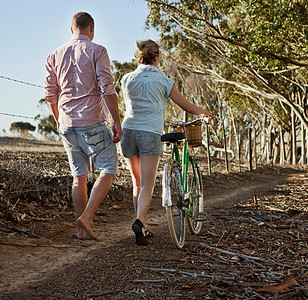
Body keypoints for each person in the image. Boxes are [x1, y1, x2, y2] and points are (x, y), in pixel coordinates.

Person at [120, 39, 214, 245]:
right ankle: (139, 220)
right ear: (156, 58)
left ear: (139, 57)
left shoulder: (127, 79)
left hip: (128, 132)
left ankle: (142, 229)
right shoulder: (164, 81)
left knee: (137, 183)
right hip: (149, 133)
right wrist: (205, 113)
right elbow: (185, 105)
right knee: (147, 184)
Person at [44, 12, 123, 240]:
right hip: (92, 121)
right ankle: (87, 217)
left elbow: (51, 94)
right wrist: (116, 120)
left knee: (79, 176)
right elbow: (107, 87)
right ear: (91, 29)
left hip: (67, 123)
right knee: (109, 169)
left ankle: (82, 232)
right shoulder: (97, 51)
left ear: (72, 30)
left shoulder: (54, 55)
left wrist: (59, 120)